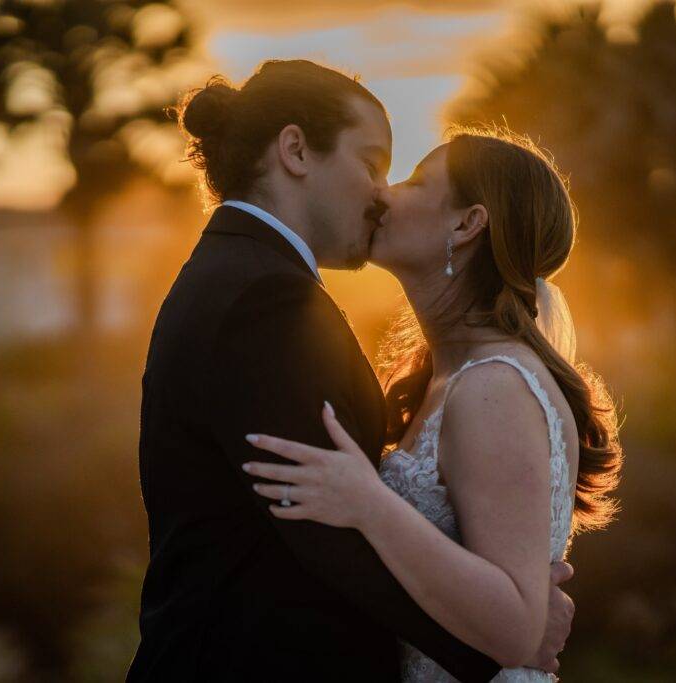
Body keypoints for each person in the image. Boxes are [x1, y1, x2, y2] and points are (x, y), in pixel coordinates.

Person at [127, 59, 575, 682]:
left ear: (469, 225)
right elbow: (325, 541)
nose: (380, 193)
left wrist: (512, 626)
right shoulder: (266, 297)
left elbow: (334, 526)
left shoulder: (251, 279)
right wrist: (509, 640)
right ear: (296, 151)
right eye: (371, 164)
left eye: (400, 176)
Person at [242, 127, 623, 682]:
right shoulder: (445, 374)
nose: (383, 194)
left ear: (467, 223)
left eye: (416, 182)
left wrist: (368, 503)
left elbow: (515, 627)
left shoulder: (494, 387)